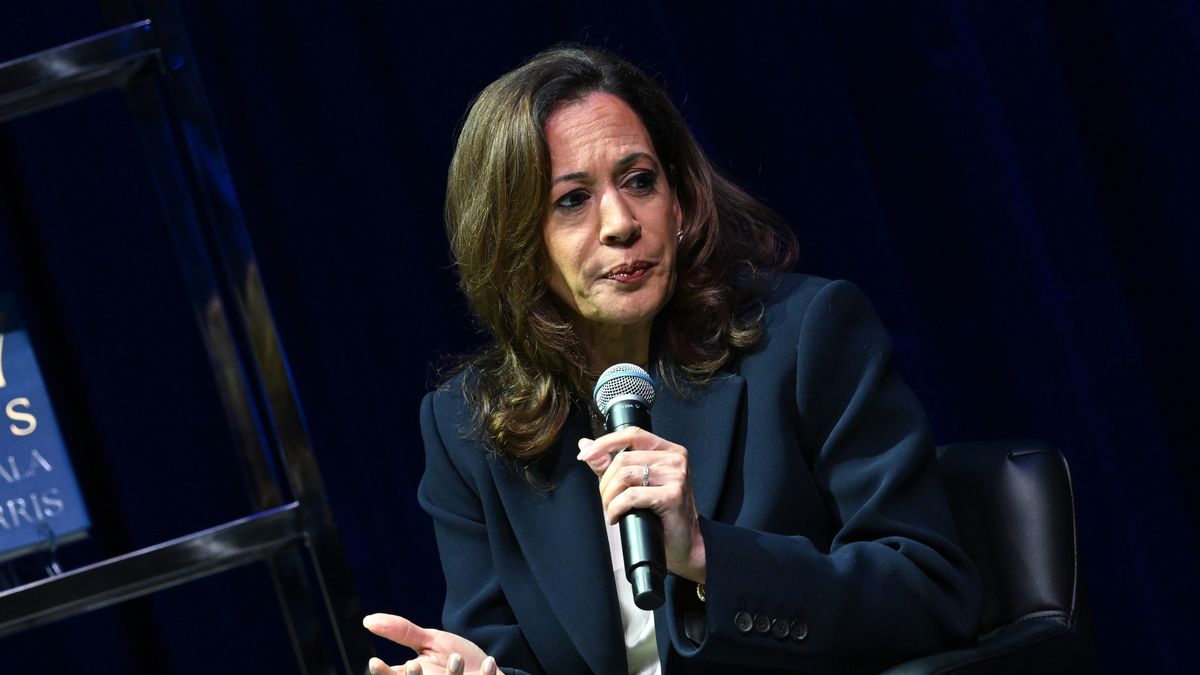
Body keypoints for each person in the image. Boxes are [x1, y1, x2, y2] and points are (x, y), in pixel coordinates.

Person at [364, 45, 981, 675]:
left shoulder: (805, 337)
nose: (621, 223)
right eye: (572, 200)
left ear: (679, 200)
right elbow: (506, 651)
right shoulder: (469, 427)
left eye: (639, 180)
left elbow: (930, 591)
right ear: (516, 242)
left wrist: (709, 553)